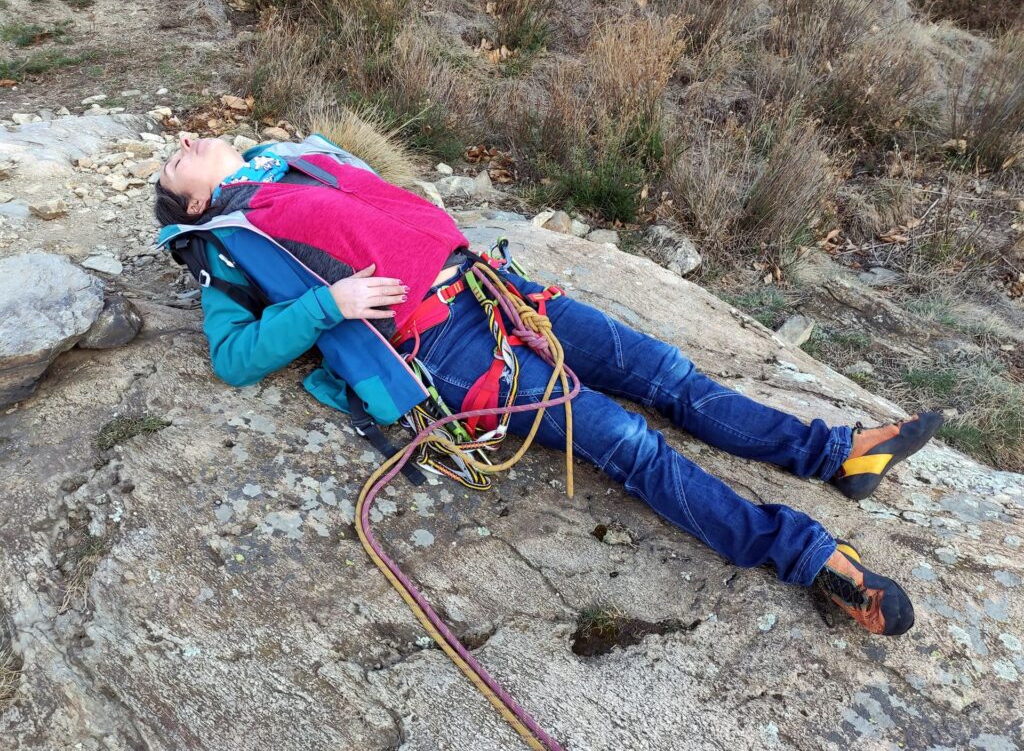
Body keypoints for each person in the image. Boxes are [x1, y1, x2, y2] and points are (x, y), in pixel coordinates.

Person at [154, 134, 944, 637]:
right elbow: (232, 357)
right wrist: (330, 305)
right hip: (447, 343)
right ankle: (811, 557)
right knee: (628, 441)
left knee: (667, 370)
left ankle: (837, 454)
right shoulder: (221, 250)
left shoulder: (295, 158)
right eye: (172, 157)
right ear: (190, 200)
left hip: (499, 288)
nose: (183, 138)